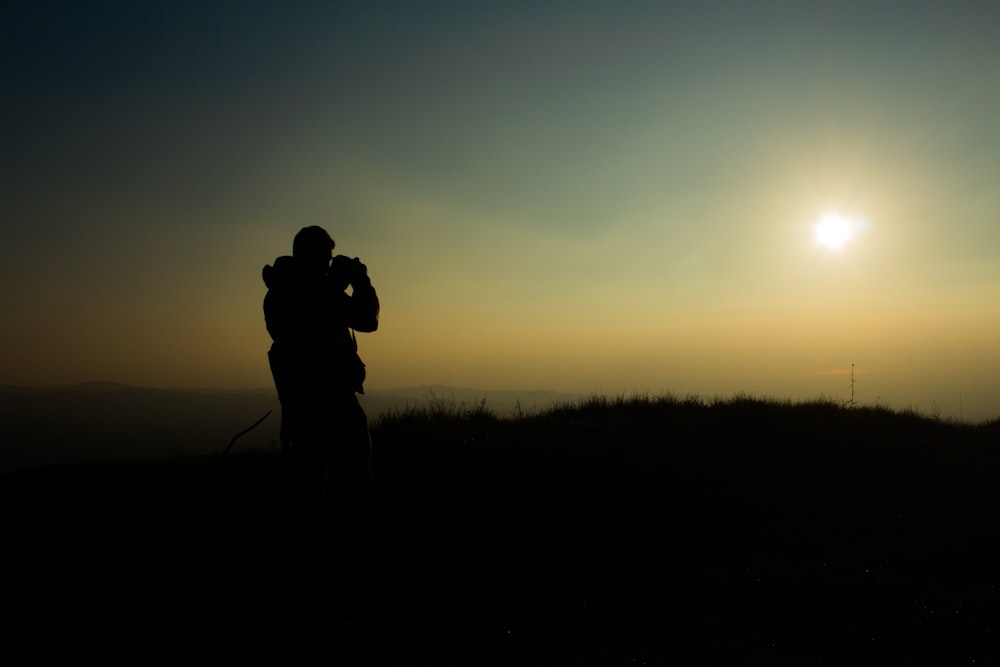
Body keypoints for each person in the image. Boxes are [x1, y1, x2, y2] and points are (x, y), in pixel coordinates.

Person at [262, 225, 380, 582]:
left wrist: (348, 283)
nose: (330, 264)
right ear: (311, 256)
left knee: (311, 478)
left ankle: (312, 555)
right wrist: (358, 281)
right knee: (340, 476)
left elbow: (357, 319)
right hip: (325, 401)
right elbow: (365, 319)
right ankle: (331, 558)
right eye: (326, 258)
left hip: (306, 403)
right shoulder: (295, 293)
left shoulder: (289, 290)